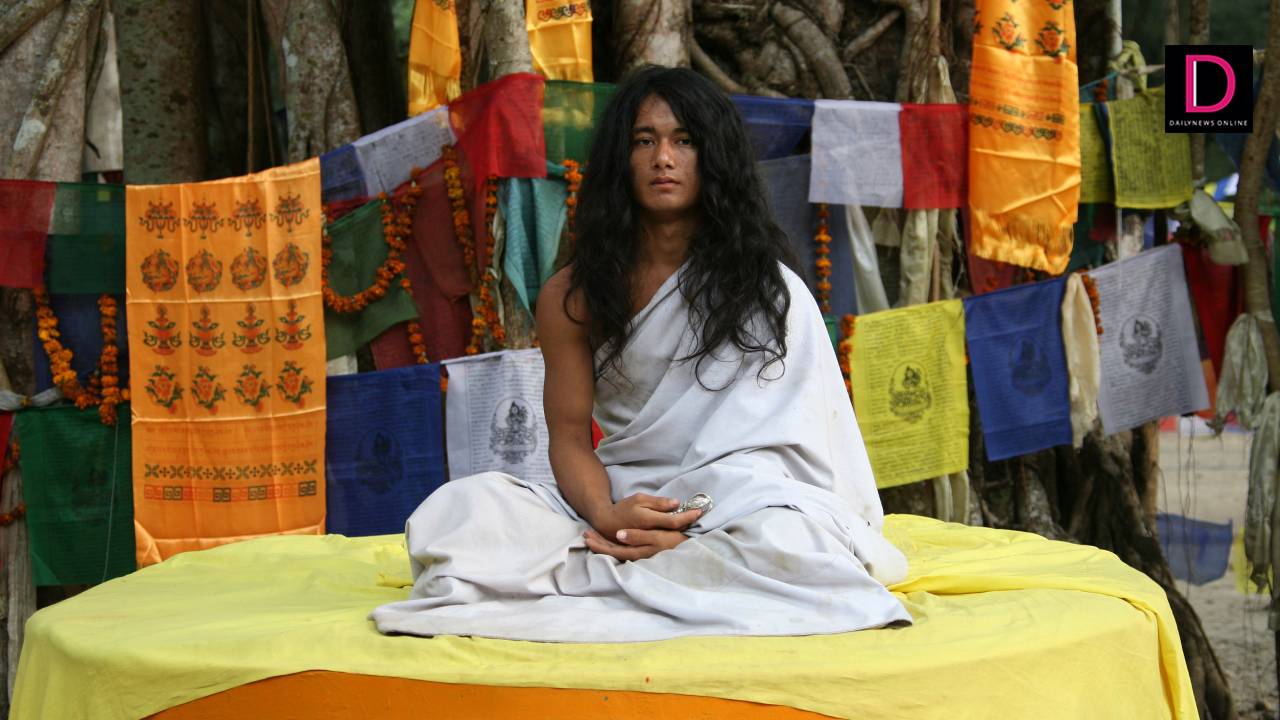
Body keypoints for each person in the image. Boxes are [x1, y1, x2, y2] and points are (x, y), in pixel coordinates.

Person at [372, 66, 911, 642]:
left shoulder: (770, 291)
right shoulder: (573, 295)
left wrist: (694, 523)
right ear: (620, 160)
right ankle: (670, 566)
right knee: (461, 515)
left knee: (790, 540)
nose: (664, 159)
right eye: (644, 140)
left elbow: (786, 454)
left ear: (714, 157)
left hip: (738, 501)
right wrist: (609, 517)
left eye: (685, 140)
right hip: (625, 495)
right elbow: (570, 439)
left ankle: (676, 558)